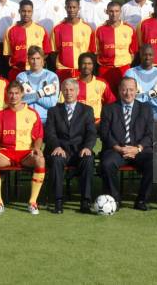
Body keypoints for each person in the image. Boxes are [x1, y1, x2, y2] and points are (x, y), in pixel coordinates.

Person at [0, 81, 46, 215]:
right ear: (6, 95)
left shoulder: (32, 113)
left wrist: (37, 148)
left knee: (40, 160)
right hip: (6, 153)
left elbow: (38, 137)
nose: (13, 96)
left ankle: (32, 202)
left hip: (26, 153)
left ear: (22, 94)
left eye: (16, 93)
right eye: (10, 93)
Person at [99, 77, 154, 210]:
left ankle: (141, 200)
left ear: (136, 91)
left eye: (131, 90)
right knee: (107, 164)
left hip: (139, 151)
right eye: (124, 89)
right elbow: (104, 133)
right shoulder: (109, 108)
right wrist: (119, 148)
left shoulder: (145, 108)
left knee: (155, 162)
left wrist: (138, 148)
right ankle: (115, 200)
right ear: (119, 90)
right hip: (116, 150)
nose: (128, 93)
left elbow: (151, 134)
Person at [45, 79, 97, 213]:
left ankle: (85, 201)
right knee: (56, 159)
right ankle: (58, 201)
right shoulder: (53, 110)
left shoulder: (87, 110)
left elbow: (91, 133)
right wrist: (56, 146)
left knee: (89, 159)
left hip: (80, 151)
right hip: (60, 150)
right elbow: (50, 133)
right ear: (61, 91)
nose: (68, 93)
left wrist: (88, 147)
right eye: (66, 90)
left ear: (77, 92)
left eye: (71, 90)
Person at [3, 0, 52, 81]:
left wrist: (36, 64)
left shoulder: (40, 29)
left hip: (36, 72)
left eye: (29, 11)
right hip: (17, 71)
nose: (26, 14)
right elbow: (7, 54)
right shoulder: (10, 30)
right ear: (19, 11)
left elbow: (46, 52)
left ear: (32, 12)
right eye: (23, 11)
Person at [95, 1, 137, 93]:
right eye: (111, 11)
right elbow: (96, 52)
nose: (114, 14)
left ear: (120, 12)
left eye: (116, 11)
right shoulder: (100, 30)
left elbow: (133, 52)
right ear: (107, 12)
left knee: (124, 95)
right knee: (105, 96)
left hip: (123, 69)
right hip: (105, 69)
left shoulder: (129, 29)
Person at [51, 0, 96, 81]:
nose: (71, 10)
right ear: (65, 8)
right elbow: (53, 53)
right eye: (69, 7)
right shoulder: (57, 28)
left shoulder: (87, 28)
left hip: (82, 71)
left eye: (74, 7)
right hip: (63, 70)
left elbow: (92, 52)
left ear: (79, 8)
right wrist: (61, 65)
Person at [124, 45, 157, 121]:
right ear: (140, 55)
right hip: (135, 116)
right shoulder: (130, 73)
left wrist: (143, 96)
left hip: (156, 117)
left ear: (154, 56)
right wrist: (154, 93)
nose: (147, 58)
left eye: (150, 55)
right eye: (145, 55)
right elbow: (127, 96)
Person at [16, 46, 59, 123]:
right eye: (32, 58)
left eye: (38, 58)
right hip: (25, 119)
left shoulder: (52, 76)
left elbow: (52, 103)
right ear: (28, 60)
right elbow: (20, 100)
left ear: (43, 60)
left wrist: (31, 95)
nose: (35, 61)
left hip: (46, 120)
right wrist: (42, 93)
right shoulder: (21, 77)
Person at [73, 53, 116, 123]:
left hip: (97, 124)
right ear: (79, 65)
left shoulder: (101, 83)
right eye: (83, 63)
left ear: (93, 66)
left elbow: (112, 103)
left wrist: (104, 119)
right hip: (76, 124)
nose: (86, 66)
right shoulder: (71, 83)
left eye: (89, 63)